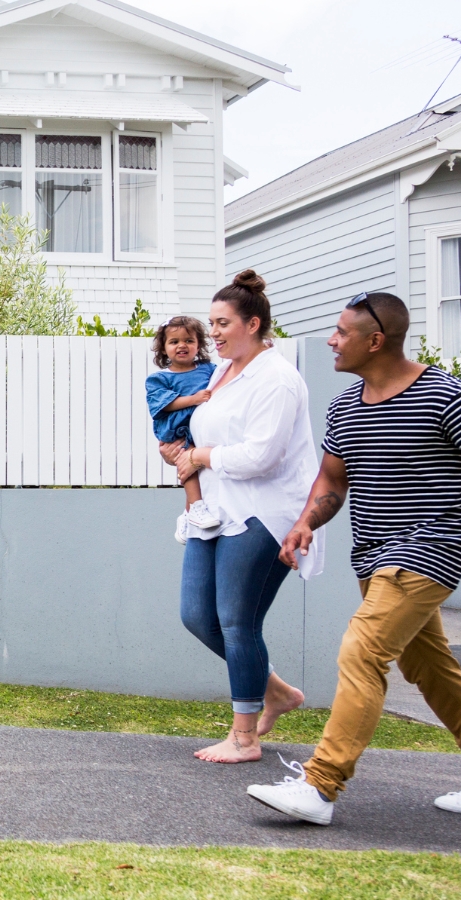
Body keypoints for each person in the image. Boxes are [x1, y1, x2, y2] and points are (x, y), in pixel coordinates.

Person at [248, 291, 461, 826]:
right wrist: (307, 521)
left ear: (375, 340)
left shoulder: (448, 397)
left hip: (430, 549)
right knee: (429, 667)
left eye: (341, 332)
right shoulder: (345, 405)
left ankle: (320, 784)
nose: (331, 340)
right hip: (374, 556)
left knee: (363, 650)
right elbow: (334, 480)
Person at [165, 270, 318, 764]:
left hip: (263, 515)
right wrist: (183, 455)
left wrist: (203, 455)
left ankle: (245, 738)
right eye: (212, 323)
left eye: (223, 323)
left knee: (236, 621)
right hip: (216, 511)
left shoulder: (277, 379)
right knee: (197, 616)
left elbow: (261, 456)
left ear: (253, 324)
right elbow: (208, 433)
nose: (215, 333)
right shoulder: (220, 373)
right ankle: (276, 691)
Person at [145, 316, 222, 544]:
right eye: (174, 341)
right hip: (177, 428)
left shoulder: (209, 369)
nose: (182, 345)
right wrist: (194, 399)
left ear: (199, 345)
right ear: (163, 348)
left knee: (200, 467)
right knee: (187, 461)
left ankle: (188, 516)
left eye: (189, 340)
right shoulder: (159, 378)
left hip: (203, 428)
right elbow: (163, 404)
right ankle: (196, 507)